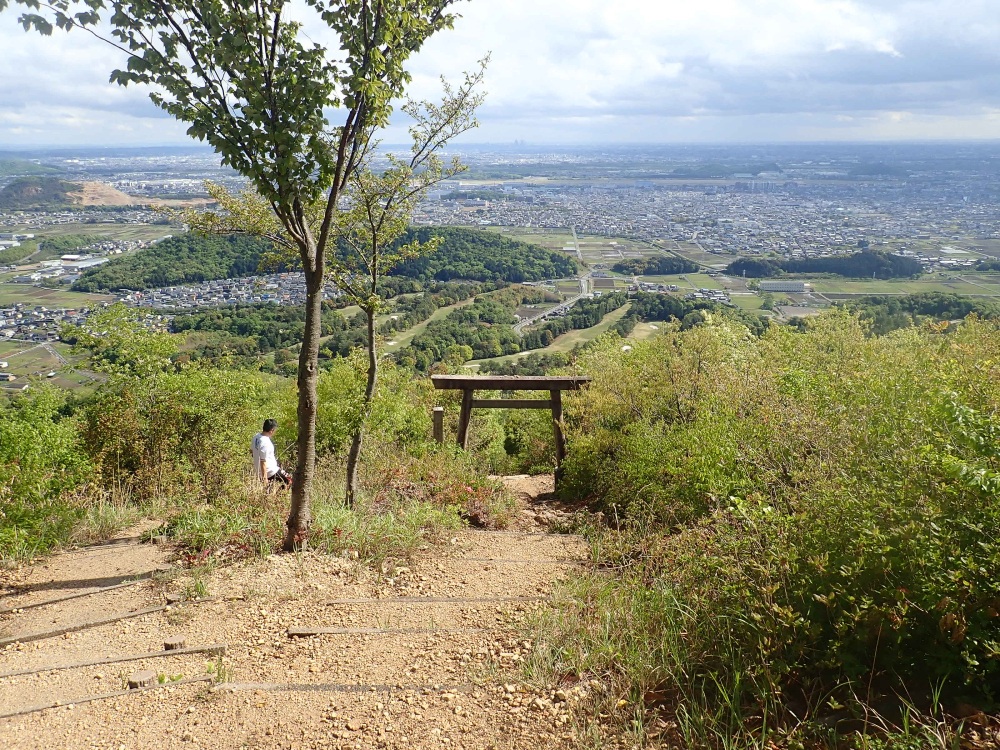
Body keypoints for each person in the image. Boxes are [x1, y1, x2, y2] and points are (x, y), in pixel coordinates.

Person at [252, 419, 291, 489]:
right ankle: (278, 495)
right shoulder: (265, 442)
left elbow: (252, 451)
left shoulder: (256, 437)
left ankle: (275, 496)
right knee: (290, 480)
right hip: (270, 471)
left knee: (269, 490)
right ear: (272, 430)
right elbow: (263, 461)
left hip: (260, 472)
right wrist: (265, 478)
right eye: (275, 430)